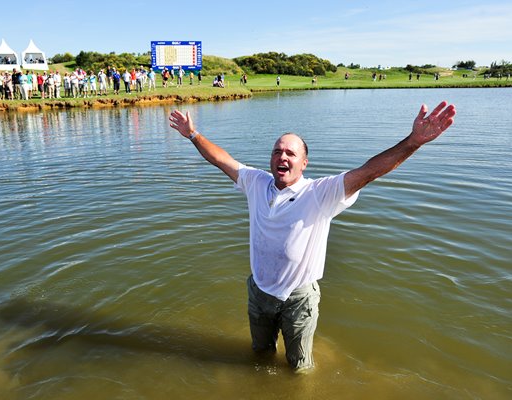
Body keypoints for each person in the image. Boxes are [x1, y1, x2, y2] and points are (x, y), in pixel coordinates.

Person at [168, 101, 456, 371]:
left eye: (291, 153)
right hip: (259, 292)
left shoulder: (321, 192)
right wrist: (192, 134)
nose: (282, 156)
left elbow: (369, 171)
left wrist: (413, 142)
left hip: (299, 298)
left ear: (304, 163)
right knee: (259, 354)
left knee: (299, 367)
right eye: (277, 151)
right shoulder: (256, 182)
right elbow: (222, 160)